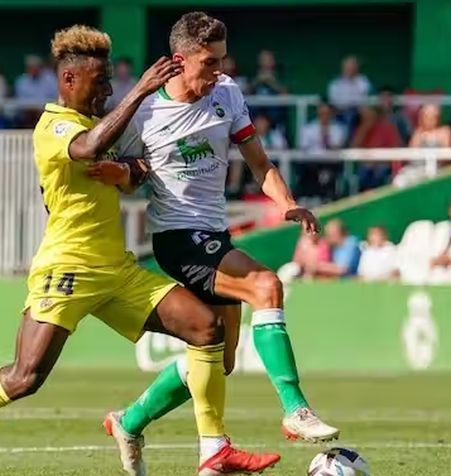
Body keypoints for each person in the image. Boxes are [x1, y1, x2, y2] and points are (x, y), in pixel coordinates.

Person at [0, 25, 279, 476]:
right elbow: (90, 147)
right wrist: (142, 90)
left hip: (116, 271)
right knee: (24, 378)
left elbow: (133, 171)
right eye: (100, 83)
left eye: (112, 83)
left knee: (208, 329)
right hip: (67, 270)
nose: (108, 92)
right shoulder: (54, 125)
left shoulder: (97, 123)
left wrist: (132, 169)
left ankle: (214, 448)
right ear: (70, 81)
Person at [105, 12, 338, 475]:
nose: (218, 72)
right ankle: (295, 410)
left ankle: (128, 421)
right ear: (179, 61)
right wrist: (126, 175)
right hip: (177, 239)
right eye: (208, 63)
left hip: (214, 235)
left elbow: (258, 161)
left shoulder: (227, 94)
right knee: (266, 287)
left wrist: (287, 202)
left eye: (221, 61)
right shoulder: (144, 112)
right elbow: (119, 178)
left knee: (218, 360)